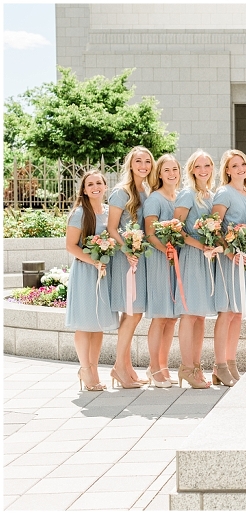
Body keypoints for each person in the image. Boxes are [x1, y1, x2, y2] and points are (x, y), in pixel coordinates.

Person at [65, 169, 119, 391]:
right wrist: (93, 261)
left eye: (99, 183)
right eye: (90, 184)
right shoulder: (79, 213)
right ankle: (85, 369)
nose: (95, 187)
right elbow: (71, 246)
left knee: (97, 324)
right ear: (85, 190)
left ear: (105, 186)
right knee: (85, 323)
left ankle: (93, 369)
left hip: (104, 272)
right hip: (86, 272)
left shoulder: (109, 212)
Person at [107, 146, 154, 389]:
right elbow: (112, 228)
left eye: (147, 161)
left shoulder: (147, 190)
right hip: (126, 258)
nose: (143, 165)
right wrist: (127, 250)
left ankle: (126, 368)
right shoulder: (120, 192)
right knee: (132, 312)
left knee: (132, 314)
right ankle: (118, 367)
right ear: (130, 163)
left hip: (140, 257)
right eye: (139, 161)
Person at [212, 149, 246, 386]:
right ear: (227, 170)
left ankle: (230, 363)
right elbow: (214, 226)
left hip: (244, 257)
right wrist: (230, 252)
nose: (240, 168)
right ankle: (220, 364)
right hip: (229, 258)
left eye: (243, 163)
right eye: (234, 165)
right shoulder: (224, 192)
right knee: (227, 312)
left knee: (238, 313)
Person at [172, 150, 217, 389]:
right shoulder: (187, 194)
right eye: (198, 166)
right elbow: (176, 228)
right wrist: (199, 244)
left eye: (207, 165)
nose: (203, 170)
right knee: (189, 314)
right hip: (192, 256)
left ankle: (196, 366)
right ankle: (186, 367)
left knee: (200, 315)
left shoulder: (211, 195)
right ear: (191, 170)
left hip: (208, 258)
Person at [143, 154, 182, 388]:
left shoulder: (178, 197)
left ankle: (163, 365)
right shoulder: (155, 199)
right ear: (159, 173)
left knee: (171, 318)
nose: (171, 174)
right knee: (160, 317)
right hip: (160, 260)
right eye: (166, 170)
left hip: (176, 259)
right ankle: (153, 367)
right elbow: (150, 232)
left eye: (175, 169)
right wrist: (165, 250)